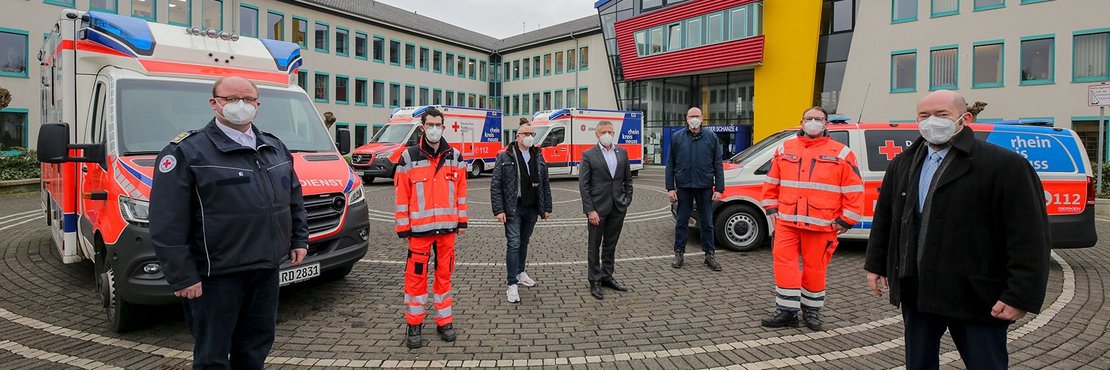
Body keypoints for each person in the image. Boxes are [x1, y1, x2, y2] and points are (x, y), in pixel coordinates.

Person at [865, 90, 1050, 369]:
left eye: (942, 115)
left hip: (976, 294)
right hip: (918, 290)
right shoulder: (903, 163)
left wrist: (1020, 294)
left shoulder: (1004, 165)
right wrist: (877, 264)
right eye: (924, 116)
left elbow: (1029, 235)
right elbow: (887, 218)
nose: (931, 122)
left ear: (964, 118)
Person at [150, 76, 309, 370]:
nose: (241, 106)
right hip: (216, 276)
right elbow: (166, 220)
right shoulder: (187, 152)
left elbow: (293, 198)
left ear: (258, 105)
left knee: (255, 346)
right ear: (214, 103)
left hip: (264, 270)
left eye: (248, 100)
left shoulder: (274, 147)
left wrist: (299, 239)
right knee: (212, 355)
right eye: (232, 99)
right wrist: (183, 275)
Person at [759, 106, 864, 331]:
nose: (813, 122)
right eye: (809, 118)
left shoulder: (841, 153)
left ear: (826, 123)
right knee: (784, 265)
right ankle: (787, 311)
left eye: (818, 119)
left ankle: (811, 311)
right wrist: (771, 207)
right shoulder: (784, 148)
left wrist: (847, 219)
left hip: (822, 225)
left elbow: (854, 189)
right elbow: (771, 181)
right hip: (787, 222)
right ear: (801, 122)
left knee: (815, 269)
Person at [393, 107, 468, 349]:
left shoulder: (455, 156)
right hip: (419, 232)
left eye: (439, 125)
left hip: (447, 230)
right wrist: (403, 227)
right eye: (430, 125)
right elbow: (401, 195)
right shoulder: (408, 157)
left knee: (444, 276)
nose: (435, 129)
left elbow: (461, 193)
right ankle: (414, 323)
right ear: (423, 127)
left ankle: (444, 320)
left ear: (443, 127)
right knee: (416, 280)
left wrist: (462, 221)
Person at [491, 122, 553, 303]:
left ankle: (520, 272)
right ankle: (512, 284)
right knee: (514, 243)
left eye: (531, 133)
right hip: (513, 207)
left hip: (532, 206)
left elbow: (545, 184)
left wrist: (547, 207)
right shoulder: (505, 156)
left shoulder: (538, 156)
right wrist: (498, 209)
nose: (529, 136)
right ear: (517, 136)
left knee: (524, 241)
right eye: (525, 133)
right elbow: (496, 185)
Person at [578, 121, 634, 300]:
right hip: (597, 209)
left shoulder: (622, 152)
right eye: (604, 131)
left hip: (618, 207)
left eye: (610, 131)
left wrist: (626, 201)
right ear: (597, 134)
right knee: (594, 245)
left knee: (610, 244)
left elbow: (628, 180)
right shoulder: (588, 155)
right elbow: (584, 186)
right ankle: (594, 280)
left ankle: (607, 276)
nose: (607, 134)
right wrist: (590, 210)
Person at [666, 107, 725, 271]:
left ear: (702, 118)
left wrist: (719, 188)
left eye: (696, 116)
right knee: (682, 222)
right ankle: (679, 253)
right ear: (686, 118)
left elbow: (717, 164)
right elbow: (670, 164)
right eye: (691, 116)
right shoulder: (677, 137)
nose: (694, 119)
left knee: (707, 222)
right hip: (684, 187)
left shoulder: (711, 137)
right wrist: (670, 187)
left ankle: (709, 255)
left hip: (704, 187)